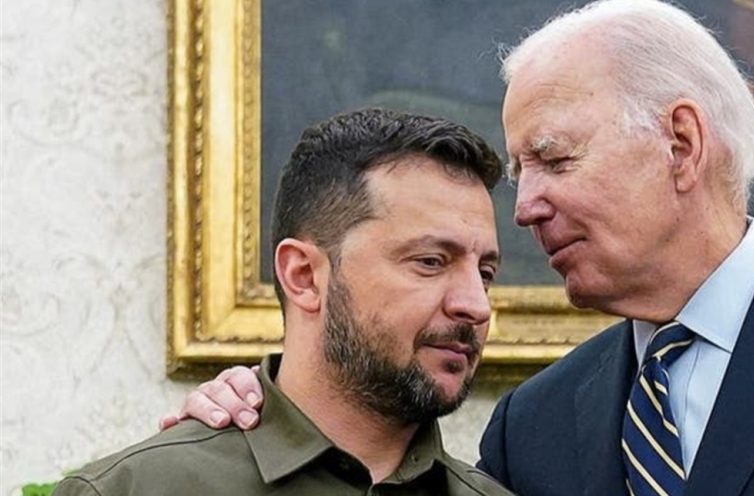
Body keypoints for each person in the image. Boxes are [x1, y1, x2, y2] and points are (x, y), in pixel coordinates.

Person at [167, 1, 754, 495]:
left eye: (554, 159)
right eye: (521, 173)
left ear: (681, 144)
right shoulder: (535, 425)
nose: (526, 208)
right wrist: (255, 415)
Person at [54, 108, 513, 495]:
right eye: (431, 262)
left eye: (485, 273)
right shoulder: (135, 488)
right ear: (304, 276)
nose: (476, 306)